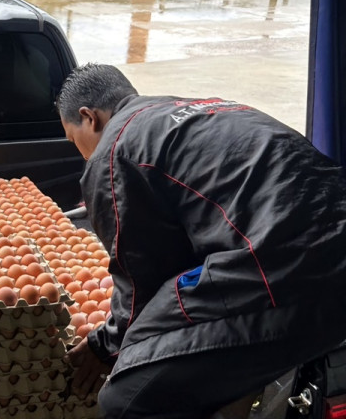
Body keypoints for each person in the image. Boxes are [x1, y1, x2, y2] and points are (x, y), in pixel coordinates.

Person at [57, 63, 346, 418]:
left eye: (73, 140)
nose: (82, 154)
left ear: (90, 117)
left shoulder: (115, 148)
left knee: (126, 400)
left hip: (286, 272)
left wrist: (105, 346)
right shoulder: (203, 109)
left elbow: (141, 279)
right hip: (322, 246)